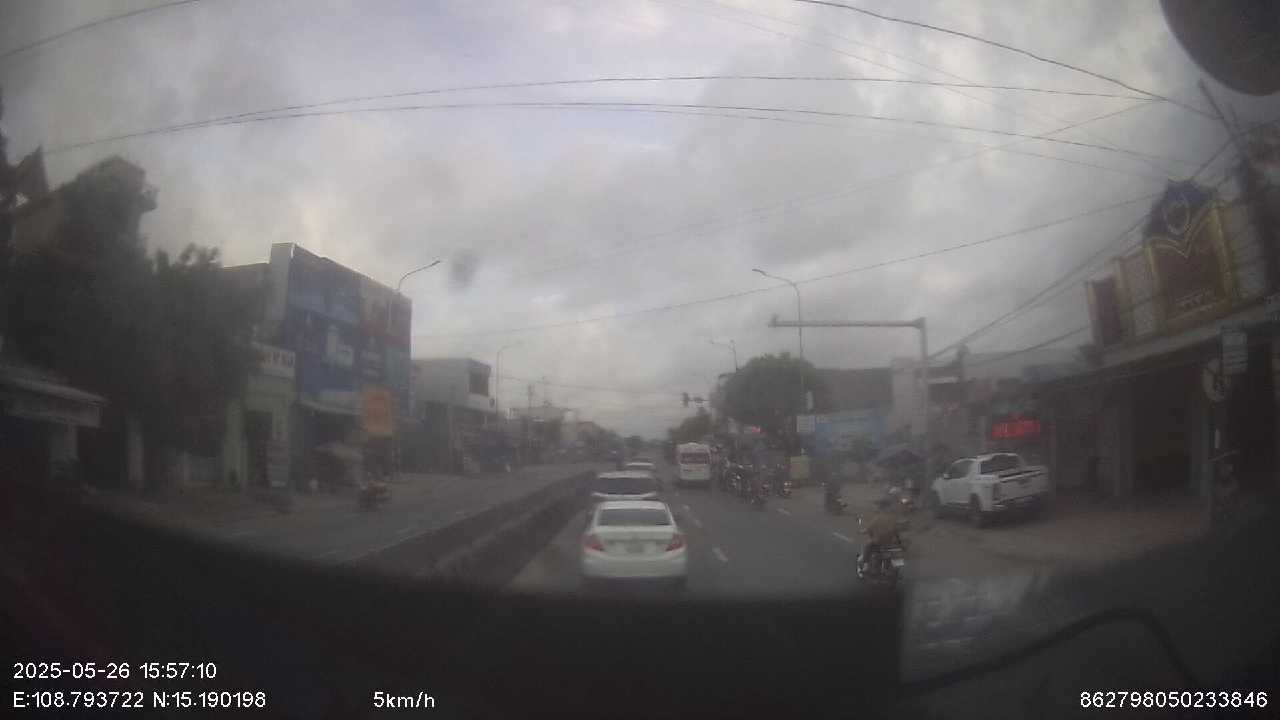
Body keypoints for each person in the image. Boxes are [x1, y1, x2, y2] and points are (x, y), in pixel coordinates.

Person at [858, 498, 901, 577]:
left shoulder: (878, 518)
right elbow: (897, 529)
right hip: (891, 543)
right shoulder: (893, 517)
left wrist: (861, 531)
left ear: (881, 508)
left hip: (878, 542)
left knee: (867, 548)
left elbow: (869, 528)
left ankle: (865, 565)